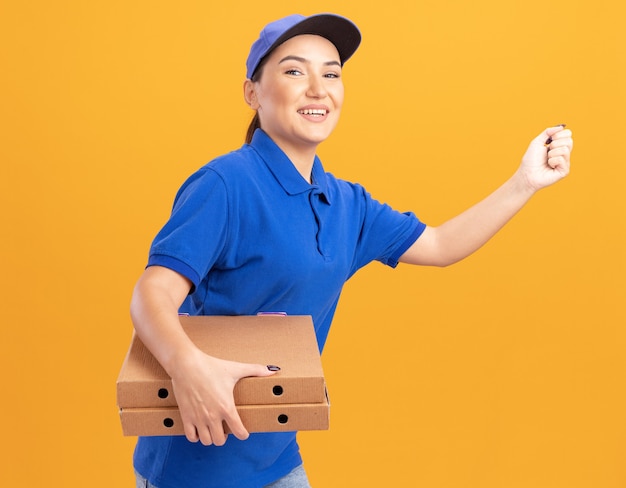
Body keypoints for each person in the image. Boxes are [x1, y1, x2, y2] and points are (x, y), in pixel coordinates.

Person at [129, 13, 573, 488]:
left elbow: (441, 244)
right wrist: (187, 368)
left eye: (332, 73)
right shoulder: (226, 185)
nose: (318, 88)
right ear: (252, 93)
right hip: (197, 462)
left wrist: (524, 182)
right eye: (295, 71)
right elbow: (151, 293)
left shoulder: (346, 203)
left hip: (277, 454)